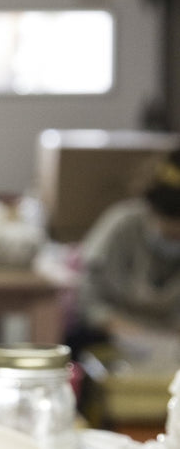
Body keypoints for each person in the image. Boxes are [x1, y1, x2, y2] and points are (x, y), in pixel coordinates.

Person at [69, 149, 180, 357]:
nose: (175, 236)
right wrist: (128, 331)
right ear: (153, 208)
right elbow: (87, 297)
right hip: (111, 336)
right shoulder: (121, 225)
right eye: (170, 230)